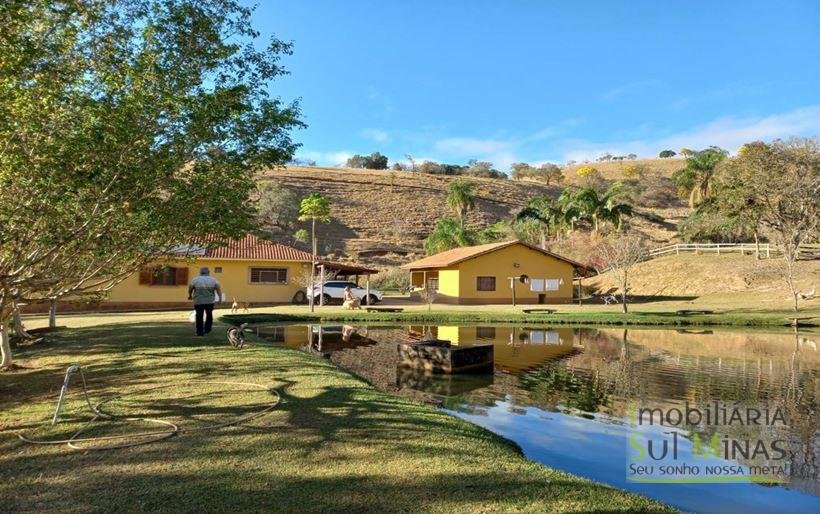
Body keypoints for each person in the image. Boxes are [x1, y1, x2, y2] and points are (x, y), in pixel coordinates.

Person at [188, 267, 222, 336]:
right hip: (209, 301)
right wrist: (220, 298)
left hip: (198, 301)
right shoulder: (213, 280)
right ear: (208, 272)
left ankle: (199, 332)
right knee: (209, 315)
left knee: (199, 316)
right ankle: (207, 329)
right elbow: (218, 289)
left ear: (200, 272)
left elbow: (190, 288)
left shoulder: (195, 279)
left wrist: (190, 295)